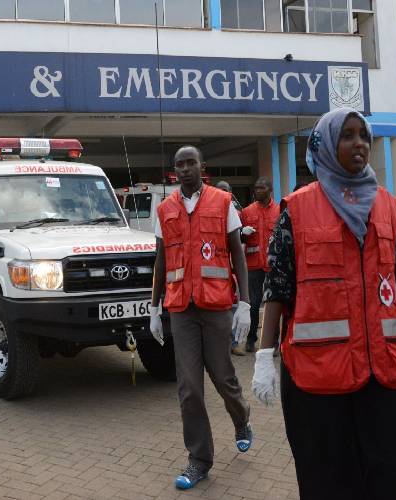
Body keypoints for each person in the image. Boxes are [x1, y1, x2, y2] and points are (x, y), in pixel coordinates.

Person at [251, 108, 396, 500]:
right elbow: (277, 289)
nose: (359, 143)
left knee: (395, 473)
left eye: (364, 135)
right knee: (327, 480)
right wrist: (264, 356)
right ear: (326, 145)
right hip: (318, 378)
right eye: (347, 135)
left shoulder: (386, 206)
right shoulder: (297, 209)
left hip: (384, 371)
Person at [150, 146, 253, 490]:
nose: (184, 169)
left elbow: (237, 251)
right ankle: (199, 460)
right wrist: (153, 307)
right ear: (173, 171)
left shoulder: (223, 203)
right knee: (189, 388)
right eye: (179, 165)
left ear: (202, 167)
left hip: (216, 305)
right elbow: (160, 261)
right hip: (181, 308)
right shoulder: (165, 209)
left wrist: (246, 303)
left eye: (190, 163)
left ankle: (241, 418)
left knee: (223, 379)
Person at [237, 177, 280, 353]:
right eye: (256, 188)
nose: (257, 191)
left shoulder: (279, 211)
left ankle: (274, 343)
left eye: (261, 188)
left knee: (274, 304)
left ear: (270, 189)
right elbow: (235, 236)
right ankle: (251, 340)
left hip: (272, 266)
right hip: (253, 266)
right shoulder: (246, 212)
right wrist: (242, 232)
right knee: (253, 305)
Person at [215, 181, 244, 354]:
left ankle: (235, 343)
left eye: (226, 190)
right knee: (221, 308)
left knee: (235, 305)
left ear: (231, 192)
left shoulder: (238, 211)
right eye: (220, 190)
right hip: (219, 267)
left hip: (235, 266)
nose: (223, 193)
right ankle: (224, 343)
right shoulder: (208, 210)